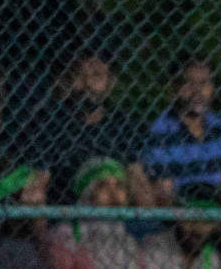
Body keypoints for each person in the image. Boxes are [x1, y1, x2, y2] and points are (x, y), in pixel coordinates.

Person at [39, 49, 156, 206]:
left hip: (116, 211)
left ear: (110, 82)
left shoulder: (121, 123)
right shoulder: (51, 123)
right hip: (66, 215)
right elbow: (39, 180)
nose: (88, 83)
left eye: (96, 75)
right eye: (80, 75)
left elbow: (138, 179)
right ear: (66, 80)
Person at [44, 158, 147, 269]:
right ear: (87, 192)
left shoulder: (127, 240)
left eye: (120, 186)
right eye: (102, 186)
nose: (114, 194)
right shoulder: (66, 236)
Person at [140, 54, 221, 207]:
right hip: (181, 214)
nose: (197, 91)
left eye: (204, 83)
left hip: (217, 212)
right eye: (189, 83)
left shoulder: (219, 127)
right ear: (174, 87)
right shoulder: (160, 131)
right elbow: (164, 196)